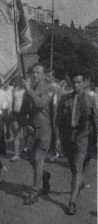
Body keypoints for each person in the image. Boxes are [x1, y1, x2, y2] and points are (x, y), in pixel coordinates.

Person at [22, 64, 59, 205]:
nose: (35, 75)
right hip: (32, 129)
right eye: (33, 73)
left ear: (44, 75)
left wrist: (29, 91)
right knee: (31, 158)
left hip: (44, 128)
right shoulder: (30, 89)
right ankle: (44, 175)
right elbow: (26, 108)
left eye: (38, 73)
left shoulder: (50, 88)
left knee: (38, 159)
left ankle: (34, 192)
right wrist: (26, 123)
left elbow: (40, 103)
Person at [56, 69, 90, 215]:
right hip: (67, 136)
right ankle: (79, 182)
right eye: (74, 82)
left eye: (79, 82)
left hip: (83, 136)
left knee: (77, 166)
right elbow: (58, 120)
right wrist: (57, 138)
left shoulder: (91, 99)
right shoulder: (65, 98)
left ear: (84, 83)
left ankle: (72, 202)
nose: (76, 85)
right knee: (73, 166)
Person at [46, 69, 64, 161]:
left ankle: (57, 152)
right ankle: (56, 151)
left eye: (49, 76)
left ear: (53, 77)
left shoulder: (56, 87)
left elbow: (57, 101)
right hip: (47, 111)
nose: (47, 78)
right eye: (47, 76)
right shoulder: (46, 86)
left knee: (55, 131)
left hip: (54, 110)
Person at [8, 76, 26, 162]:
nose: (20, 82)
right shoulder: (16, 88)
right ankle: (16, 154)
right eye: (19, 80)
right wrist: (11, 111)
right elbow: (12, 100)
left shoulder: (27, 89)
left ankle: (26, 149)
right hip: (15, 113)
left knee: (27, 134)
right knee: (16, 133)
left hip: (24, 113)